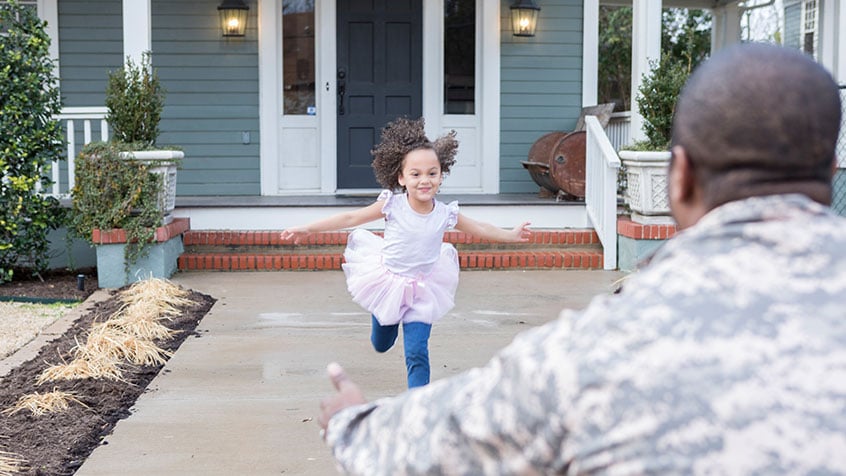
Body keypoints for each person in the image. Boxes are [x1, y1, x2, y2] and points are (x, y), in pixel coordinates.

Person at [316, 43, 846, 474]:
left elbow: (443, 445)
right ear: (832, 171)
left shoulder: (610, 338)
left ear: (678, 178)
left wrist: (352, 426)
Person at [281, 117, 531, 389]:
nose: (425, 180)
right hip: (388, 283)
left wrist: (510, 234)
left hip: (424, 288)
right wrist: (307, 228)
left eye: (432, 173)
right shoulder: (392, 206)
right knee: (382, 343)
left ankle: (418, 406)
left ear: (440, 175)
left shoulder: (446, 213)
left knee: (417, 352)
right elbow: (351, 218)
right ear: (401, 177)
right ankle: (380, 316)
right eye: (416, 174)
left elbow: (479, 227)